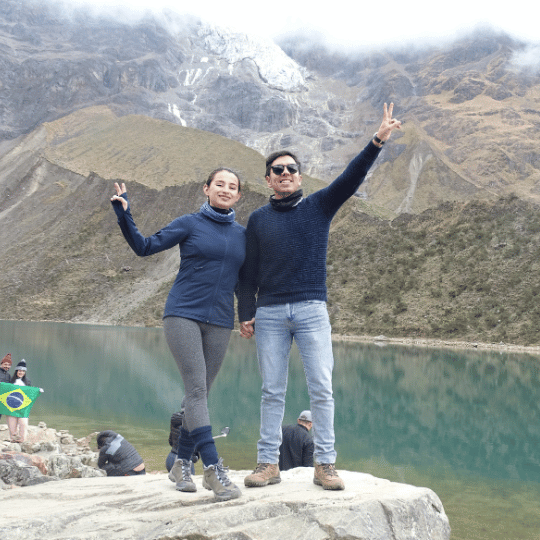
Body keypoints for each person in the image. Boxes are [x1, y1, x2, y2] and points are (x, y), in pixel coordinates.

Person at [239, 103, 402, 491]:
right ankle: (267, 463)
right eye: (277, 170)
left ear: (299, 176)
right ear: (268, 180)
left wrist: (378, 140)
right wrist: (246, 312)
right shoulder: (258, 219)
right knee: (271, 390)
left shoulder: (319, 206)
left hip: (311, 309)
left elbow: (350, 178)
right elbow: (248, 273)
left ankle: (325, 464)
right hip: (271, 312)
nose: (285, 174)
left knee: (322, 388)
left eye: (291, 169)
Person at [111, 168, 245, 502]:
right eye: (220, 185)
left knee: (196, 397)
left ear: (239, 195)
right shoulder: (190, 223)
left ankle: (181, 463)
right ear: (206, 189)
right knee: (197, 390)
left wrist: (250, 315)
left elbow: (245, 281)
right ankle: (213, 468)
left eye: (233, 187)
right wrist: (125, 216)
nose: (226, 190)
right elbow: (145, 247)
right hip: (183, 314)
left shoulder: (243, 235)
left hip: (221, 321)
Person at [6, 359, 32, 443]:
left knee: (23, 423)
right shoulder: (11, 380)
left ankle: (22, 440)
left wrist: (38, 390)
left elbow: (30, 392)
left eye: (23, 371)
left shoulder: (27, 381)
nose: (21, 372)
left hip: (23, 407)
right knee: (12, 425)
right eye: (19, 371)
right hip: (11, 406)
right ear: (16, 371)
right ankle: (13, 440)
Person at [165, 410, 197, 474]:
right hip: (184, 462)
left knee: (174, 483)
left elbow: (171, 442)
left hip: (171, 458)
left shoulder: (175, 419)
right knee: (188, 483)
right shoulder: (194, 421)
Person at [0, 353, 12, 421]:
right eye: (5, 364)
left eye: (9, 365)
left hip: (1, 401)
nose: (7, 366)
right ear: (1, 364)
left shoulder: (8, 375)